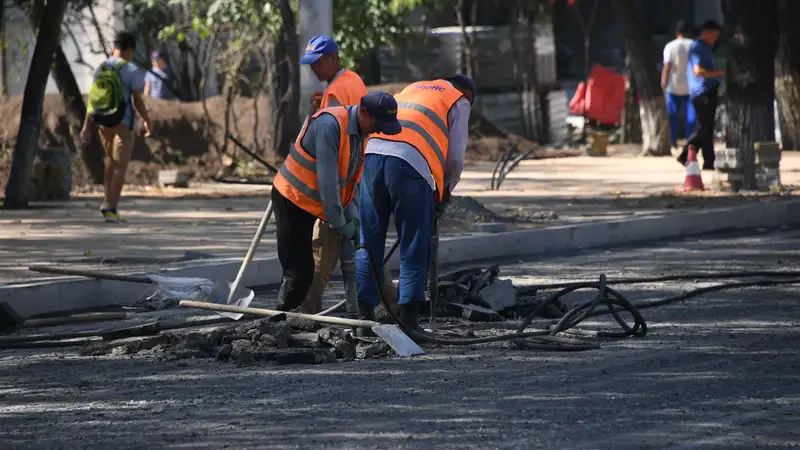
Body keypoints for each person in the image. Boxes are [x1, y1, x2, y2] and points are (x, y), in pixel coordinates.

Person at [354, 76, 475, 331]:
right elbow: (455, 158)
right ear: (467, 93)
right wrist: (445, 191)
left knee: (368, 239)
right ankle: (409, 320)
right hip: (410, 164)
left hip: (373, 155)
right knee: (414, 241)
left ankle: (362, 319)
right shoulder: (459, 101)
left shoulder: (411, 88)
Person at [270, 91, 402, 313]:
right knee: (299, 272)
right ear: (363, 112)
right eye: (378, 123)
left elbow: (348, 180)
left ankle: (392, 309)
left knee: (312, 269)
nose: (379, 130)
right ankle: (280, 322)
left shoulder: (360, 132)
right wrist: (340, 224)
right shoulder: (329, 126)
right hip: (292, 198)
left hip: (315, 203)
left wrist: (355, 217)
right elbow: (328, 182)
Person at [297, 35, 378, 315]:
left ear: (333, 58)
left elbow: (328, 149)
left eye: (317, 63)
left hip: (339, 186)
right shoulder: (352, 81)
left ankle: (303, 314)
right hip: (354, 177)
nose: (312, 70)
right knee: (358, 251)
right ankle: (389, 305)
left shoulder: (335, 92)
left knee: (321, 252)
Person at [80, 31, 151, 223]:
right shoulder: (131, 69)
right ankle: (111, 208)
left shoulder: (101, 67)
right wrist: (146, 120)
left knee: (109, 162)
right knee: (120, 166)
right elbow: (137, 100)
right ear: (129, 50)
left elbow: (92, 101)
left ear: (114, 48)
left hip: (103, 122)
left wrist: (86, 127)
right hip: (122, 122)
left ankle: (106, 202)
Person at [679, 20, 724, 170]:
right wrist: (721, 72)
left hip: (708, 91)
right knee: (703, 128)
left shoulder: (706, 48)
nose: (716, 39)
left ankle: (709, 161)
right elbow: (698, 72)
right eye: (715, 36)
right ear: (706, 33)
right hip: (702, 92)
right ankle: (686, 154)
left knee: (708, 128)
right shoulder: (698, 47)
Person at [661, 20, 695, 150]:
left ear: (676, 33)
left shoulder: (670, 46)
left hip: (673, 87)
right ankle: (690, 142)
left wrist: (663, 82)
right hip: (690, 87)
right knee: (690, 117)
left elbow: (667, 67)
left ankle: (673, 141)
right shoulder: (693, 45)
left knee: (672, 116)